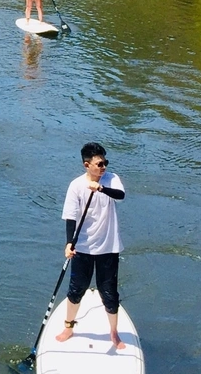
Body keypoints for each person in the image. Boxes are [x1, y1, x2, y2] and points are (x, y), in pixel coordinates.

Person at [55, 142, 127, 350]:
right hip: (83, 248)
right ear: (87, 165)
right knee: (76, 289)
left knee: (109, 292)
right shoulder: (76, 186)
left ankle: (114, 333)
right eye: (99, 163)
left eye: (105, 162)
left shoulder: (111, 179)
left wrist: (102, 188)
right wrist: (69, 243)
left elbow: (121, 196)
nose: (103, 166)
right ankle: (69, 327)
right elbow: (70, 217)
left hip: (108, 247)